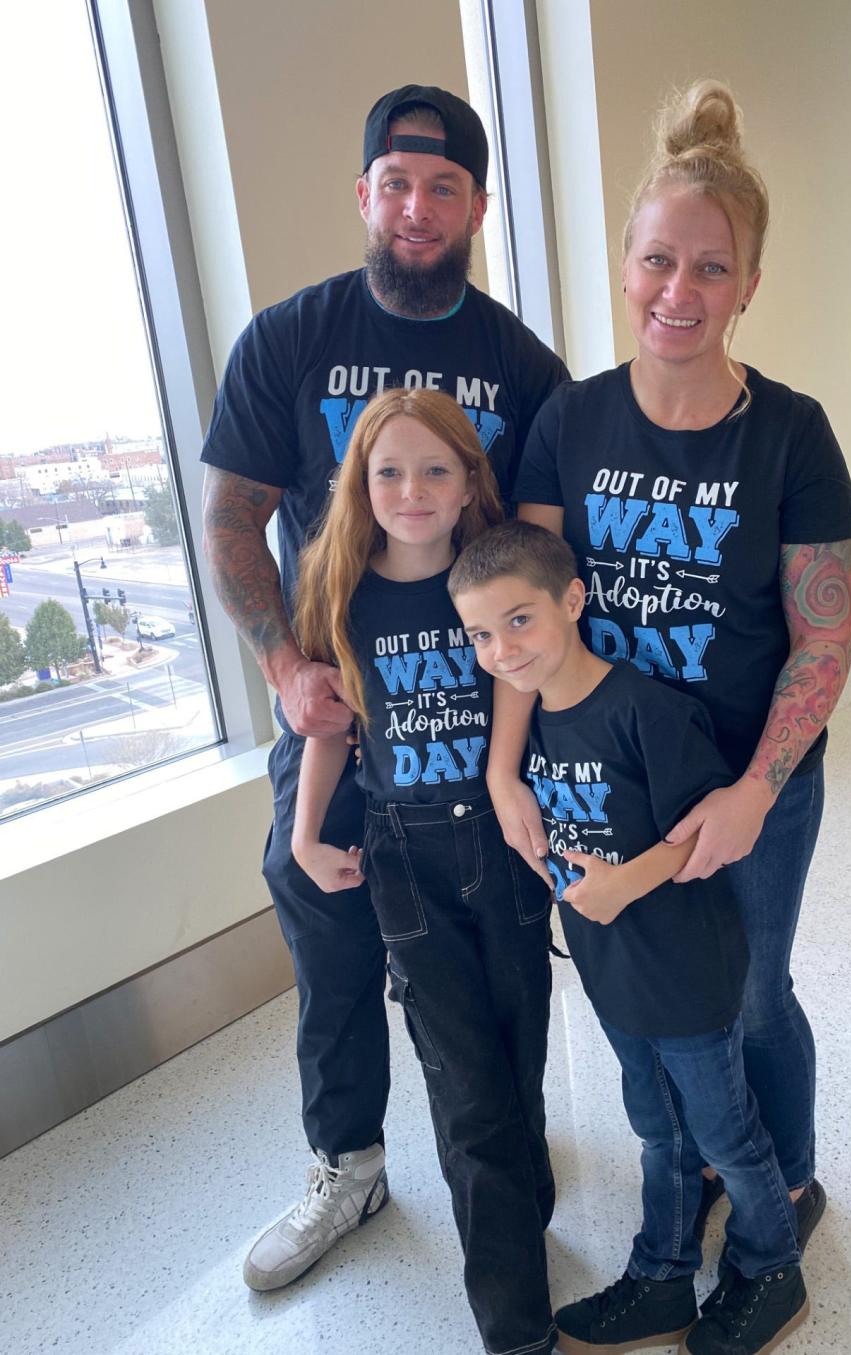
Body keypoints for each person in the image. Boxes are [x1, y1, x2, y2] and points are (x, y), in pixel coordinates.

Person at [200, 84, 568, 1292]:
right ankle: (348, 1158)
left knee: (500, 955)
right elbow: (234, 520)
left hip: (477, 730)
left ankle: (502, 1143)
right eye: (396, 183)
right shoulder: (288, 339)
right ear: (364, 195)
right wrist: (285, 668)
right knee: (325, 919)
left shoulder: (519, 360)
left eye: (444, 186)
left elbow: (555, 540)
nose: (418, 207)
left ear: (476, 205)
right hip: (345, 708)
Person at [503, 79, 851, 1262]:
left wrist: (757, 787)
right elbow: (528, 618)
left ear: (749, 283)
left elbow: (822, 634)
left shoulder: (793, 434)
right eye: (660, 260)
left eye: (712, 268)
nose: (680, 291)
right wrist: (511, 775)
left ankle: (786, 1183)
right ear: (625, 264)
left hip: (755, 776)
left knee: (752, 993)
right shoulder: (569, 423)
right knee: (656, 998)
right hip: (614, 785)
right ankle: (704, 1164)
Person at [450, 519, 810, 1355]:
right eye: (479, 633)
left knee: (726, 1135)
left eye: (519, 620)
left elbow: (704, 835)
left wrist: (618, 884)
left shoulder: (647, 709)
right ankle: (665, 1274)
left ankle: (772, 1266)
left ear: (572, 600)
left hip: (688, 972)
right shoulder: (529, 722)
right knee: (659, 1128)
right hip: (613, 974)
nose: (500, 649)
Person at [291, 392, 556, 1355]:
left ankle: (529, 1207)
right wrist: (304, 833)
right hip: (404, 859)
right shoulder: (346, 591)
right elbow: (337, 724)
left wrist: (502, 776)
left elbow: (523, 681)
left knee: (519, 1041)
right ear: (360, 486)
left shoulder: (495, 578)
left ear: (470, 480)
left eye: (437, 469)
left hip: (505, 841)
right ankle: (516, 1327)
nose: (414, 491)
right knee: (463, 1087)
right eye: (389, 472)